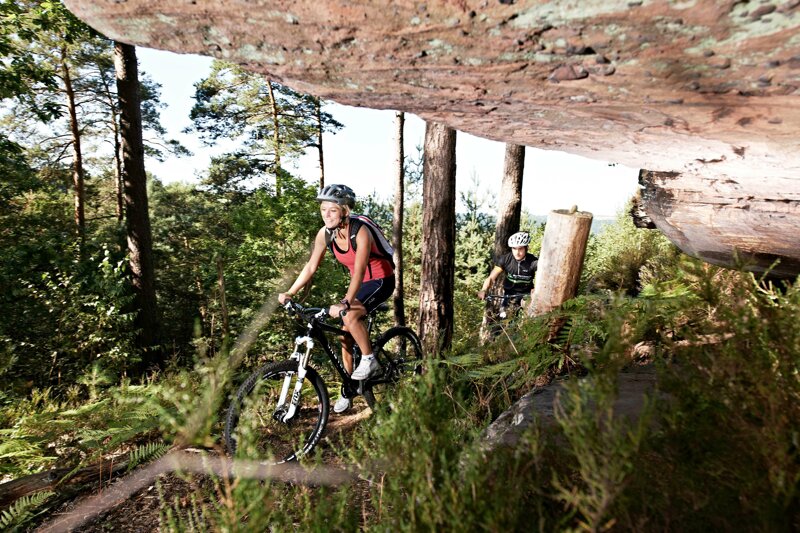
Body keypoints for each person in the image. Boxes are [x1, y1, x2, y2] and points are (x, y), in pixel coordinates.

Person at [278, 184, 395, 414]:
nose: (326, 215)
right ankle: (349, 388)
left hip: (381, 279)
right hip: (360, 285)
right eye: (323, 210)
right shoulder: (325, 234)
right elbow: (311, 266)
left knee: (349, 315)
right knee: (344, 335)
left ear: (344, 210)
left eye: (332, 210)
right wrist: (290, 292)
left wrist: (346, 302)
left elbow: (360, 270)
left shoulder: (361, 231)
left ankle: (370, 359)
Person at [477, 231, 538, 315]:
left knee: (530, 315)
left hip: (526, 295)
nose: (517, 252)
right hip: (509, 294)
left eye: (520, 248)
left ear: (526, 248)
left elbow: (543, 278)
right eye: (514, 248)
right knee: (504, 318)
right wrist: (483, 290)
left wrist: (536, 290)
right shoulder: (505, 259)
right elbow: (491, 277)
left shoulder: (533, 261)